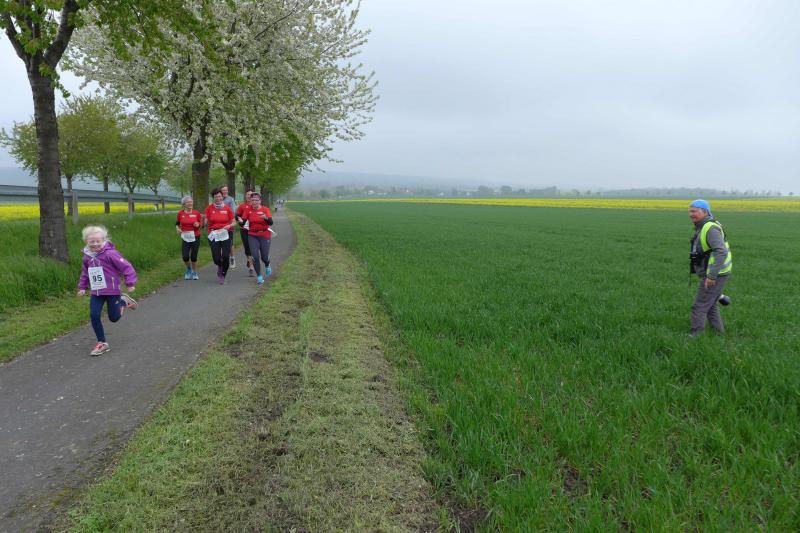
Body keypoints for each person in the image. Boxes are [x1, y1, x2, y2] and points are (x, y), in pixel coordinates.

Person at [77, 225, 138, 356]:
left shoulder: (110, 254)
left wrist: (130, 283)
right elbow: (85, 273)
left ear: (103, 240)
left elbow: (127, 267)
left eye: (98, 241)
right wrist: (82, 287)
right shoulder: (87, 257)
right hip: (96, 292)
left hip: (112, 291)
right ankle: (102, 343)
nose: (95, 244)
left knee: (114, 318)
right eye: (91, 241)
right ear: (86, 241)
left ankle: (123, 302)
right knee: (94, 315)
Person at [688, 199, 733, 336]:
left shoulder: (710, 228)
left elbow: (721, 251)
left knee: (699, 306)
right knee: (711, 305)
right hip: (716, 272)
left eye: (694, 211)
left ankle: (695, 336)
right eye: (690, 211)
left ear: (705, 211)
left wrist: (711, 276)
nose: (691, 214)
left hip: (715, 274)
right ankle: (718, 333)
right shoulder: (704, 226)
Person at [204, 188, 235, 284]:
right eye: (216, 196)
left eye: (220, 196)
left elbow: (234, 222)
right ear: (213, 198)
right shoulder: (209, 208)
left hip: (225, 233)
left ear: (222, 197)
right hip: (213, 234)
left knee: (225, 256)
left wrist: (229, 225)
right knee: (216, 258)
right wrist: (204, 222)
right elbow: (205, 220)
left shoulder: (227, 208)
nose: (218, 198)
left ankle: (223, 276)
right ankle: (220, 266)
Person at [243, 192, 274, 284]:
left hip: (264, 235)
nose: (254, 202)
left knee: (264, 257)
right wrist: (240, 221)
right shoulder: (248, 210)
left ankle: (267, 265)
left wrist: (265, 218)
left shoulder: (265, 209)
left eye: (256, 200)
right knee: (255, 257)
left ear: (260, 201)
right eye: (252, 200)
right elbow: (243, 222)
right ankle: (259, 276)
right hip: (252, 235)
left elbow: (271, 222)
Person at [175, 195, 202, 280]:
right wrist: (177, 229)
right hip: (185, 237)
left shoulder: (196, 213)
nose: (190, 203)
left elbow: (201, 224)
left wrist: (198, 224)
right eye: (188, 202)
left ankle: (194, 272)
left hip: (195, 236)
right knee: (185, 256)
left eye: (191, 202)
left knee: (193, 256)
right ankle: (189, 269)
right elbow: (177, 223)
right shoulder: (180, 213)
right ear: (184, 204)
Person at [236, 189, 256, 277]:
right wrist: (239, 219)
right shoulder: (242, 206)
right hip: (244, 229)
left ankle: (250, 261)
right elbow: (237, 216)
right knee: (247, 247)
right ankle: (251, 266)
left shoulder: (256, 206)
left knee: (254, 247)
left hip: (254, 229)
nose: (249, 196)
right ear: (245, 196)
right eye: (247, 194)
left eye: (251, 195)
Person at [220, 185, 238, 268]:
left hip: (228, 224)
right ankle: (222, 259)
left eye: (226, 190)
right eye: (223, 190)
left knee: (230, 242)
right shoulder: (218, 199)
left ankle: (232, 258)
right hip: (220, 224)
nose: (224, 191)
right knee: (220, 241)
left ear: (227, 191)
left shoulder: (230, 199)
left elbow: (233, 211)